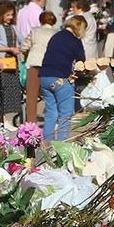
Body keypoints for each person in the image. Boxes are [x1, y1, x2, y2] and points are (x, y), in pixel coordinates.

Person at [38, 12, 90, 141]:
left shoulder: (56, 36)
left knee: (51, 113)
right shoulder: (75, 41)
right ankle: (62, 146)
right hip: (61, 78)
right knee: (65, 115)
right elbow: (81, 62)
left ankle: (47, 144)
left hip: (44, 77)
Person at [0, 2, 23, 126]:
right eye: (7, 15)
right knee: (1, 91)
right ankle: (1, 119)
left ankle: (11, 118)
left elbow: (22, 40)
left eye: (11, 15)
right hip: (2, 63)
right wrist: (10, 49)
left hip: (13, 63)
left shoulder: (13, 27)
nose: (10, 17)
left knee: (13, 91)